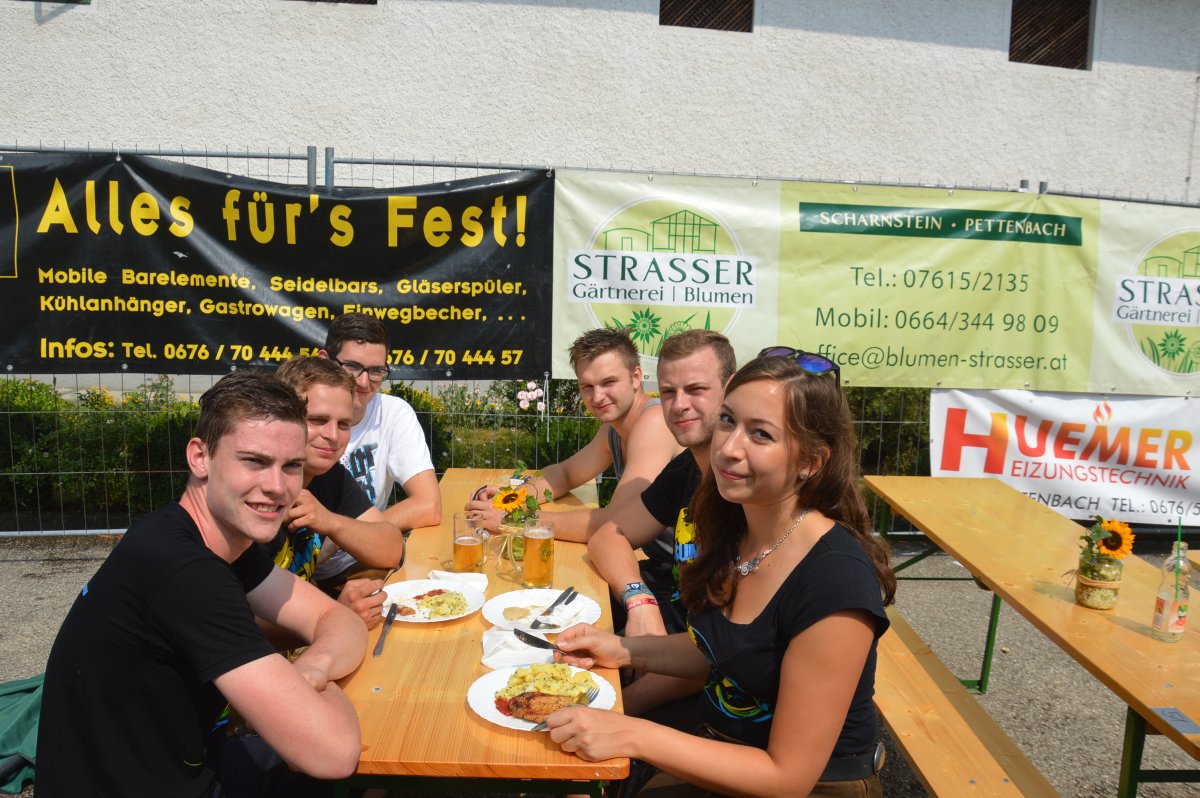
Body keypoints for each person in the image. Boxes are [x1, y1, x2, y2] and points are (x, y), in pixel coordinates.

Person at [548, 350, 897, 797]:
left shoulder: (835, 579)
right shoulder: (733, 524)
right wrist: (621, 648)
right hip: (720, 744)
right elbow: (725, 648)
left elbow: (787, 778)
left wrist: (631, 733)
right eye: (728, 421)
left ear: (811, 462)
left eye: (761, 434)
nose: (729, 448)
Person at [37, 371, 366, 797]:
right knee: (352, 761)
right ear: (199, 457)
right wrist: (322, 689)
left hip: (181, 767)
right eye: (254, 461)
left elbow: (336, 618)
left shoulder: (210, 538)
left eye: (291, 466)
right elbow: (332, 754)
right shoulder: (185, 571)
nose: (276, 487)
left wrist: (311, 670)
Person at [465, 327, 681, 542]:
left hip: (676, 563)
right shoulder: (614, 428)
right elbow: (565, 474)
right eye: (587, 386)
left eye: (608, 382)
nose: (597, 397)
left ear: (636, 377)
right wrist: (510, 499)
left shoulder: (654, 423)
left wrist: (514, 520)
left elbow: (615, 522)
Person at [588, 330, 736, 641]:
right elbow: (607, 537)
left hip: (697, 655)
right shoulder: (686, 468)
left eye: (695, 389)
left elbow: (727, 647)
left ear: (731, 388)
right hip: (668, 623)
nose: (679, 405)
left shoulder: (746, 487)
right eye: (668, 391)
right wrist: (639, 600)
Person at [316, 312, 441, 591]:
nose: (363, 382)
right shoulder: (292, 417)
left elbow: (429, 506)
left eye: (375, 371)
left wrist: (346, 533)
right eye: (352, 367)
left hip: (359, 564)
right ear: (324, 361)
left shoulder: (392, 413)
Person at [274, 356, 399, 629]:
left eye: (344, 424)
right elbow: (234, 618)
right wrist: (334, 614)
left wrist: (329, 521)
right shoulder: (260, 492)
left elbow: (392, 548)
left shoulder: (330, 475)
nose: (333, 435)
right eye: (317, 420)